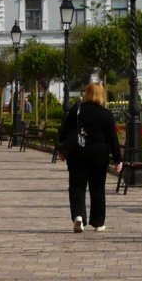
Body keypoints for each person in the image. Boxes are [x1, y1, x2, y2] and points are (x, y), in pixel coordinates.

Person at [57, 82, 123, 233]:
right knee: (98, 188)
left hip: (77, 153)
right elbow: (113, 139)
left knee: (76, 186)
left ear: (87, 93)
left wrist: (61, 149)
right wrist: (118, 159)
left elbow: (64, 130)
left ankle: (78, 216)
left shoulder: (77, 109)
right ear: (102, 95)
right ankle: (98, 222)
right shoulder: (107, 114)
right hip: (99, 155)